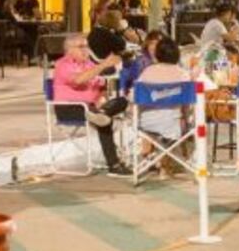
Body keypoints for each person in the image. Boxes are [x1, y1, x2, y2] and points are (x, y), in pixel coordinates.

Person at [52, 34, 131, 177]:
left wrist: (102, 97)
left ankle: (101, 113)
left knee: (122, 101)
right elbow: (79, 80)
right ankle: (114, 165)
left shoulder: (88, 64)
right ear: (69, 49)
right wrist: (103, 65)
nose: (85, 50)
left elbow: (100, 86)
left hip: (92, 107)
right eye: (81, 47)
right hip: (70, 108)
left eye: (86, 46)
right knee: (103, 122)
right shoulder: (62, 64)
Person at [136, 38, 193, 172]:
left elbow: (134, 97)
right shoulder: (183, 74)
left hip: (146, 123)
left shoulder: (147, 72)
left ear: (157, 54)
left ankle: (154, 157)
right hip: (172, 125)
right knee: (188, 119)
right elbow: (187, 104)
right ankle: (168, 161)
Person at [123, 30, 163, 95]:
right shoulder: (140, 62)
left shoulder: (169, 61)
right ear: (147, 45)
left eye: (158, 44)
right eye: (152, 43)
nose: (155, 47)